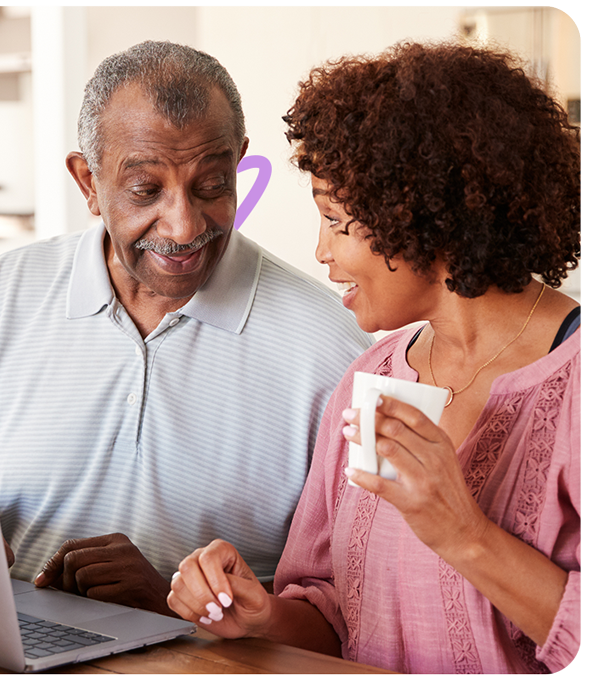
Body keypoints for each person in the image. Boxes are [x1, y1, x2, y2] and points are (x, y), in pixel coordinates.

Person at [0, 41, 371, 617]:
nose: (182, 227)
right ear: (88, 182)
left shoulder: (332, 349)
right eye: (145, 190)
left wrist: (177, 605)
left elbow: (351, 609)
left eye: (211, 185)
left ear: (239, 164)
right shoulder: (8, 291)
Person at [167, 41, 580, 673]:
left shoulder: (577, 382)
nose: (321, 251)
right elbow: (337, 614)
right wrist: (264, 616)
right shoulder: (372, 377)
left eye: (336, 221)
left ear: (421, 216)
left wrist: (464, 534)